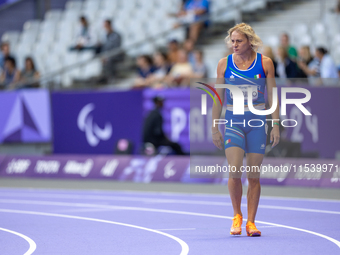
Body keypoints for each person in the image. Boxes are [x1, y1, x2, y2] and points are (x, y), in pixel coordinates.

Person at [211, 23, 280, 237]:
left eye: (238, 41)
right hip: (233, 121)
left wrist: (275, 124)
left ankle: (251, 222)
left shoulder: (265, 63)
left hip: (257, 122)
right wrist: (215, 127)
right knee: (234, 171)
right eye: (232, 41)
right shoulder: (224, 64)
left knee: (254, 176)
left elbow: (273, 97)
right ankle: (236, 215)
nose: (234, 45)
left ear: (250, 41)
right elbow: (218, 98)